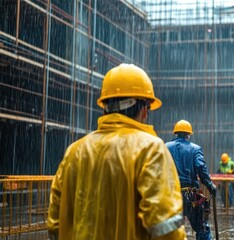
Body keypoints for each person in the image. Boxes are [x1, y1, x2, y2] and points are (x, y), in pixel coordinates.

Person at [47, 63, 186, 240]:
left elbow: (54, 224)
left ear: (105, 107)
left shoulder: (74, 152)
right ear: (144, 110)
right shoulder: (150, 149)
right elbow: (166, 228)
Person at [165, 119, 217, 240]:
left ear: (176, 133)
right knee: (202, 227)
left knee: (171, 228)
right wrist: (210, 186)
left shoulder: (165, 147)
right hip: (191, 197)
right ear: (188, 135)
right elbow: (201, 168)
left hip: (171, 196)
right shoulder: (195, 149)